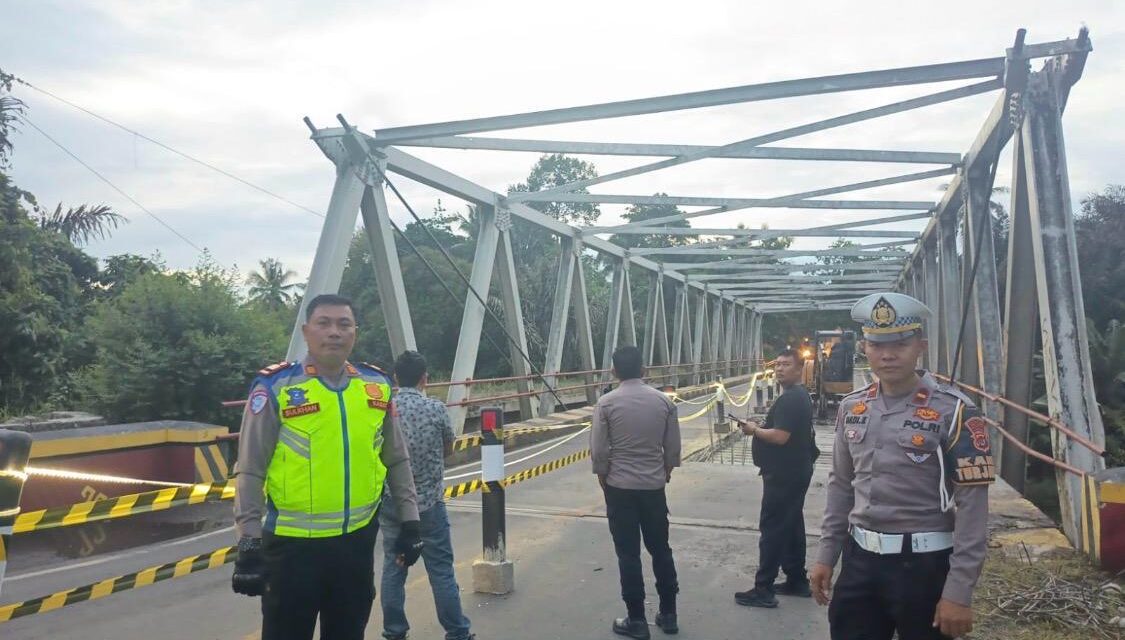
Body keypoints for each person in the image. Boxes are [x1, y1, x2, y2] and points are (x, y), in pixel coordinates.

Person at [231, 294, 424, 640]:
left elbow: (396, 458)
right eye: (324, 323)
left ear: (355, 333)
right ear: (306, 331)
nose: (334, 332)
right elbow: (250, 469)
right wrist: (248, 541)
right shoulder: (277, 388)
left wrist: (411, 522)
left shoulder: (375, 386)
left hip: (356, 544)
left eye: (343, 324)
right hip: (292, 550)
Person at [810, 293, 995, 640]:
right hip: (860, 561)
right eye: (877, 345)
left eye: (900, 343)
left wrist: (959, 591)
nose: (888, 354)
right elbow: (840, 486)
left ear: (920, 346)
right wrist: (826, 555)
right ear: (865, 348)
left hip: (924, 568)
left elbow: (973, 508)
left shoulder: (955, 411)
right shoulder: (853, 407)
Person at [379, 350, 474, 640]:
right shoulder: (435, 409)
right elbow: (449, 448)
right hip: (430, 504)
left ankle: (394, 631)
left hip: (393, 503)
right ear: (425, 379)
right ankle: (457, 632)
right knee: (441, 570)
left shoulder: (384, 408)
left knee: (394, 568)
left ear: (396, 378)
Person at [591, 345, 682, 640]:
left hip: (620, 489)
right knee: (661, 549)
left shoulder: (606, 404)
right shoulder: (664, 403)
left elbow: (599, 451)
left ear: (614, 371)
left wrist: (604, 477)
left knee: (628, 554)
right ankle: (669, 615)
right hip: (654, 488)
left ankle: (637, 620)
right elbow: (673, 449)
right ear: (644, 370)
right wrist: (665, 472)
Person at [730, 348, 816, 608]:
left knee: (773, 528)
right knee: (791, 526)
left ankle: (763, 588)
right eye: (777, 364)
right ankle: (797, 580)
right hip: (795, 470)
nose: (779, 369)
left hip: (784, 474)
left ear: (800, 369)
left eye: (786, 365)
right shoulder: (797, 396)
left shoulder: (792, 398)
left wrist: (754, 430)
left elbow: (780, 437)